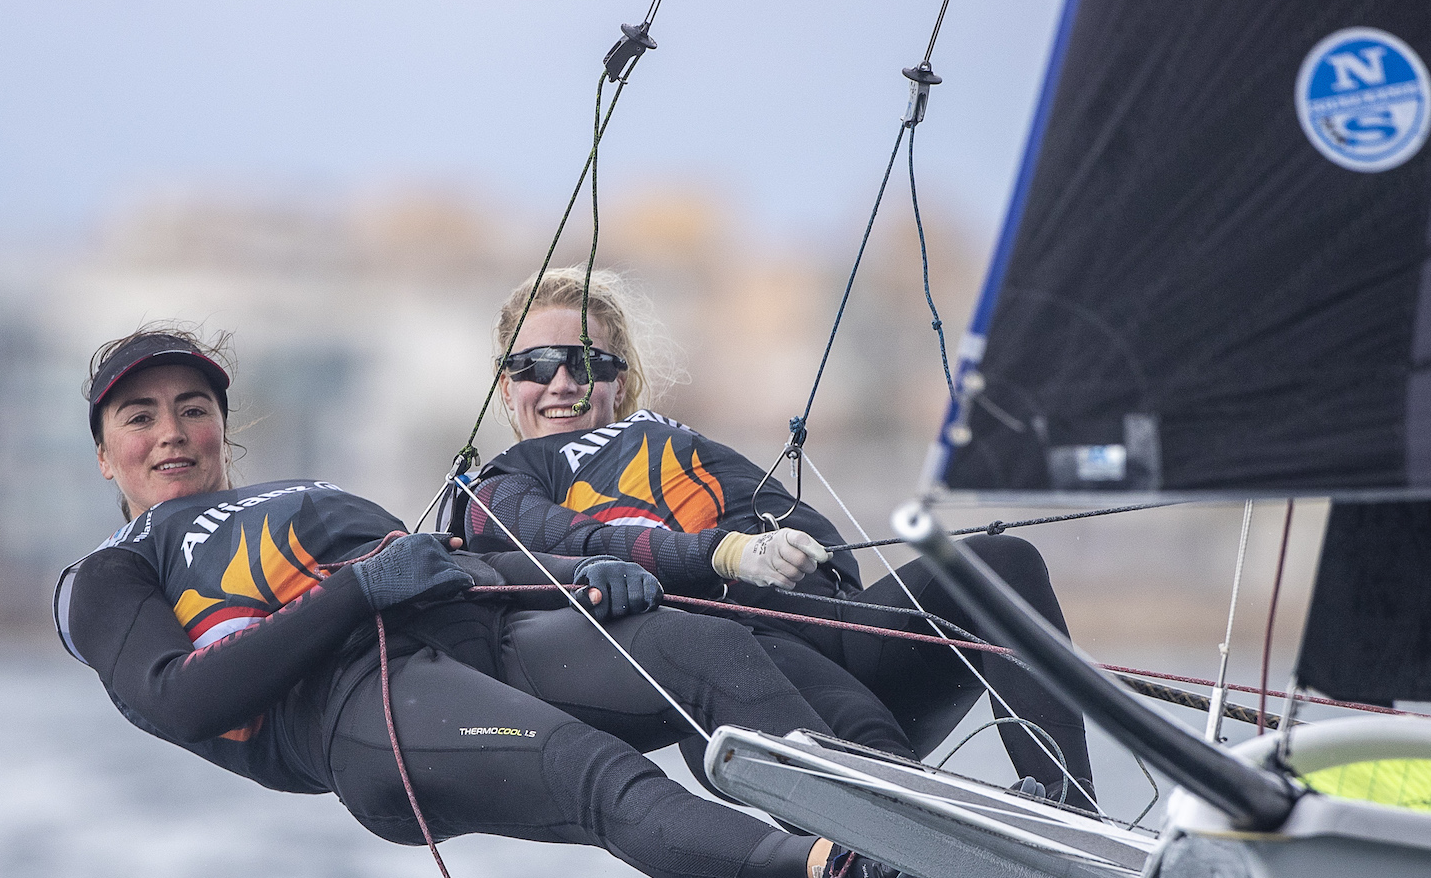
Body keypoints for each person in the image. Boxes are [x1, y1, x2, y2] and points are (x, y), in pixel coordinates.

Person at [54, 326, 981, 878]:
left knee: (698, 646)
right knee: (601, 778)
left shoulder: (302, 493)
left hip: (487, 638)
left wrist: (574, 579)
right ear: (104, 454)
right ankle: (843, 871)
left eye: (192, 408)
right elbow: (181, 699)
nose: (172, 432)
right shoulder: (110, 574)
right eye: (140, 417)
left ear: (223, 425)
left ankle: (903, 822)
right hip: (369, 712)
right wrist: (352, 595)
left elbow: (455, 568)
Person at [457, 268, 1097, 810]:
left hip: (849, 636)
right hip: (740, 676)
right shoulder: (504, 484)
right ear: (504, 383)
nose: (563, 382)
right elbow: (557, 536)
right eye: (536, 364)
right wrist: (726, 553)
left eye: (586, 362)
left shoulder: (670, 438)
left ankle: (1073, 812)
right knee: (850, 727)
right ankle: (919, 857)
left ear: (619, 382)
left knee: (1002, 561)